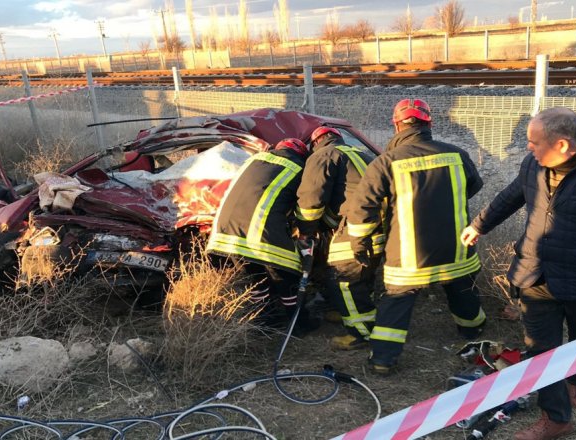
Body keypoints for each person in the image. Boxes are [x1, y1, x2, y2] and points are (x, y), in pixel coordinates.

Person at [460, 107, 576, 440]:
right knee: (541, 349)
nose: (527, 148)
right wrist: (479, 225)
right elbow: (511, 196)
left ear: (563, 145)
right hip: (534, 275)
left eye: (534, 142)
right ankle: (555, 418)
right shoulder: (534, 165)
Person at [347, 98, 486, 375]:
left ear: (397, 125)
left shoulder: (385, 162)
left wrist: (359, 243)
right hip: (456, 249)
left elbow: (362, 208)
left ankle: (383, 360)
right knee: (462, 289)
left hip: (409, 255)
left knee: (396, 302)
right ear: (429, 123)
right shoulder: (457, 154)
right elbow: (474, 186)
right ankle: (473, 331)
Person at [206, 138, 319, 335]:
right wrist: (306, 230)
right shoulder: (299, 167)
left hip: (224, 232)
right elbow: (304, 205)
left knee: (255, 278)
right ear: (302, 154)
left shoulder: (253, 160)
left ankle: (266, 321)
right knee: (287, 275)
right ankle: (298, 324)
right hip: (259, 231)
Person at [295, 126, 384, 350]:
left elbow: (311, 199)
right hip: (380, 226)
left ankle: (361, 333)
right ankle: (348, 311)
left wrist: (306, 230)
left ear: (316, 142)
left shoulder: (323, 155)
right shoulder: (358, 154)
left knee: (344, 279)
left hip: (357, 227)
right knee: (363, 275)